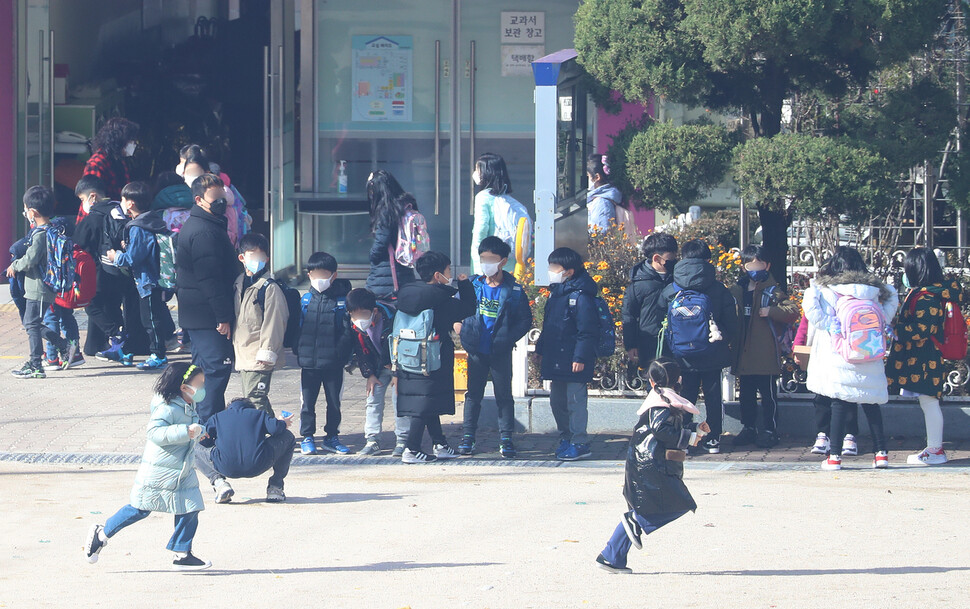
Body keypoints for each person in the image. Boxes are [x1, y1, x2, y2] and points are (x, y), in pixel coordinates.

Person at [83, 362, 211, 571]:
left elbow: (188, 428)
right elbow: (154, 433)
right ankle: (101, 534)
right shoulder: (167, 407)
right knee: (140, 509)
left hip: (181, 470)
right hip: (159, 470)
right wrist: (185, 431)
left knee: (191, 507)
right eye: (199, 384)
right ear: (184, 386)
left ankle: (182, 553)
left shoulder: (188, 404)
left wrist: (199, 431)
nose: (203, 389)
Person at [596, 358, 708, 574]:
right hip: (651, 464)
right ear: (679, 379)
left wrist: (693, 430)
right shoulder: (661, 402)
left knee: (657, 506)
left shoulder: (661, 398)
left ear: (651, 380)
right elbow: (662, 430)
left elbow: (667, 427)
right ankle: (631, 527)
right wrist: (691, 435)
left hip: (647, 461)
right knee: (677, 503)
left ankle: (612, 556)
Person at [803, 246, 898, 470]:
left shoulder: (826, 289)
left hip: (840, 357)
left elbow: (812, 312)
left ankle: (834, 457)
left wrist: (829, 324)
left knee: (839, 404)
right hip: (869, 355)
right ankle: (881, 454)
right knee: (871, 404)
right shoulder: (874, 291)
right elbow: (888, 307)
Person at [395, 251, 477, 463]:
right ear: (438, 274)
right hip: (433, 356)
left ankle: (440, 444)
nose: (450, 274)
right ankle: (411, 449)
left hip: (408, 355)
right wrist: (465, 285)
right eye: (448, 270)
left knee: (426, 400)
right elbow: (468, 308)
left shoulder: (407, 294)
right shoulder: (440, 298)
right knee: (423, 405)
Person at [660, 239, 739, 455]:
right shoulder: (718, 288)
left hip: (681, 354)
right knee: (713, 396)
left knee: (685, 396)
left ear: (683, 258)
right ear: (707, 259)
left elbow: (661, 319)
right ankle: (713, 439)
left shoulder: (672, 289)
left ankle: (684, 439)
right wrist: (722, 340)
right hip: (712, 351)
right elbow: (732, 322)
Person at [457, 236, 533, 457]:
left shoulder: (514, 290)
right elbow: (456, 307)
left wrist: (508, 338)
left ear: (503, 261)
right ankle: (468, 437)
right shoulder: (472, 284)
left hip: (500, 350)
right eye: (483, 258)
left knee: (504, 395)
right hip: (476, 349)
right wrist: (459, 326)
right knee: (473, 395)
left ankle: (506, 438)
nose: (486, 263)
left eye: (491, 259)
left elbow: (524, 320)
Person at [887, 247, 963, 466]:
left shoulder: (926, 296)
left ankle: (935, 450)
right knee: (928, 402)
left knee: (929, 402)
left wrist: (898, 331)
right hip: (925, 355)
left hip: (925, 356)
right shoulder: (931, 292)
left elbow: (924, 328)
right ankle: (933, 448)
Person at [176, 173, 240, 422]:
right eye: (216, 198)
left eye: (222, 197)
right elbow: (209, 279)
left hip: (199, 313)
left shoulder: (208, 224)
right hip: (206, 314)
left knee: (202, 369)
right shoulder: (204, 232)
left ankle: (200, 420)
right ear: (199, 200)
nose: (221, 202)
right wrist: (223, 316)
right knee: (216, 368)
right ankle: (207, 424)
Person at [729, 245, 799, 448]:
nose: (754, 268)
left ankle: (770, 429)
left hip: (766, 353)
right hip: (743, 352)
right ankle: (748, 428)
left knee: (768, 395)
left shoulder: (772, 290)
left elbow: (792, 311)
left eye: (758, 264)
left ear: (767, 265)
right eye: (750, 264)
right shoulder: (737, 290)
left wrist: (772, 311)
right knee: (746, 395)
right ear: (744, 266)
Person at [535, 247, 600, 461]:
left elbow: (587, 330)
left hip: (574, 359)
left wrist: (580, 357)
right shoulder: (556, 293)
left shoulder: (581, 297)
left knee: (575, 402)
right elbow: (548, 325)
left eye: (555, 267)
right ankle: (567, 436)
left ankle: (580, 441)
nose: (551, 271)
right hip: (556, 357)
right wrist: (540, 349)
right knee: (558, 401)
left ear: (569, 271)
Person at [5, 186, 77, 379]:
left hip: (39, 288)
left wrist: (15, 266)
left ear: (33, 212)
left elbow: (31, 258)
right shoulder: (50, 229)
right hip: (42, 288)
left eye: (25, 209)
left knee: (32, 325)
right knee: (32, 323)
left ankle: (36, 364)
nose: (25, 213)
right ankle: (60, 347)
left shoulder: (40, 234)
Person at [105, 182, 176, 370]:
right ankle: (156, 352)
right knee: (153, 317)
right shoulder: (152, 221)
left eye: (123, 199)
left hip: (148, 281)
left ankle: (158, 355)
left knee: (151, 320)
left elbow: (133, 258)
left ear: (130, 204)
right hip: (156, 279)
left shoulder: (138, 227)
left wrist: (116, 256)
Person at [73, 176, 140, 361]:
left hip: (97, 275)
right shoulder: (121, 214)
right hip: (121, 271)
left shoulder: (90, 220)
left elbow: (78, 248)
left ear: (92, 197)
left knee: (91, 306)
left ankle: (115, 335)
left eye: (82, 199)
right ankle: (118, 345)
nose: (83, 204)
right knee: (112, 307)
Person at [297, 251, 354, 455]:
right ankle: (307, 436)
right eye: (316, 273)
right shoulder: (304, 301)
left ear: (334, 275)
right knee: (307, 403)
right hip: (309, 363)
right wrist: (299, 352)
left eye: (325, 274)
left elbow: (348, 332)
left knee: (334, 402)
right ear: (309, 274)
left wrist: (341, 355)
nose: (320, 278)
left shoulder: (341, 302)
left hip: (333, 363)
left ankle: (332, 437)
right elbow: (297, 329)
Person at [346, 288, 410, 457]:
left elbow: (402, 345)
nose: (359, 319)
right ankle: (373, 439)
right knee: (373, 400)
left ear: (374, 311)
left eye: (363, 314)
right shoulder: (354, 325)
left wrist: (397, 372)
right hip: (377, 368)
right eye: (354, 315)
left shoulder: (393, 317)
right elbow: (360, 350)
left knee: (400, 401)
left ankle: (403, 440)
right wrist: (369, 374)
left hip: (398, 367)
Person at [194, 397, 296, 504]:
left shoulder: (218, 417)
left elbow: (204, 439)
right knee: (288, 436)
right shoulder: (259, 414)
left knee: (193, 443)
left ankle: (219, 483)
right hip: (258, 463)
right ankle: (275, 487)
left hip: (225, 466)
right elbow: (276, 429)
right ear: (251, 407)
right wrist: (282, 422)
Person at [231, 233, 288, 417]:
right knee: (254, 397)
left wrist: (268, 351)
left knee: (256, 397)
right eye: (252, 255)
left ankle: (273, 436)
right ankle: (273, 432)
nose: (257, 260)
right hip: (244, 351)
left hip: (259, 354)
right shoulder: (239, 282)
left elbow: (275, 321)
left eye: (261, 256)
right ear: (242, 257)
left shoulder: (269, 287)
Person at [793, 312, 862, 456]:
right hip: (822, 353)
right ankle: (823, 433)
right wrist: (798, 346)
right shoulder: (819, 298)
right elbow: (806, 323)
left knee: (847, 396)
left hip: (845, 352)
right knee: (821, 396)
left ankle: (849, 435)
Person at [469, 152, 533, 279]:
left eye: (477, 169)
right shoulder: (510, 201)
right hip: (507, 258)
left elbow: (481, 228)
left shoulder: (483, 197)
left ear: (486, 172)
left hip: (488, 259)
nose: (475, 173)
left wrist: (478, 253)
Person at [623, 232, 678, 367]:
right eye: (670, 258)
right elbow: (628, 316)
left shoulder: (678, 278)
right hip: (649, 342)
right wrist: (631, 345)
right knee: (654, 381)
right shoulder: (638, 283)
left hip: (676, 341)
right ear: (657, 258)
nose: (674, 261)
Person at [365, 170, 418, 298]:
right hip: (405, 267)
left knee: (380, 309)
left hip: (386, 274)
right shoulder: (407, 205)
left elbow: (381, 243)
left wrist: (372, 256)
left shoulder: (386, 210)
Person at [41, 215, 84, 370]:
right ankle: (76, 353)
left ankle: (52, 357)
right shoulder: (72, 245)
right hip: (67, 289)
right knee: (67, 317)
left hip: (54, 288)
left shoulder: (54, 244)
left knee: (51, 318)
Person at [82, 117, 139, 202]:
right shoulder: (96, 164)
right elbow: (91, 199)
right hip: (102, 213)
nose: (133, 143)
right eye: (130, 140)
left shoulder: (118, 160)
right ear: (119, 140)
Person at [586, 154, 621, 234]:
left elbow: (600, 233)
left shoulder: (602, 202)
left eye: (588, 176)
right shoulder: (600, 198)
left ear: (597, 177)